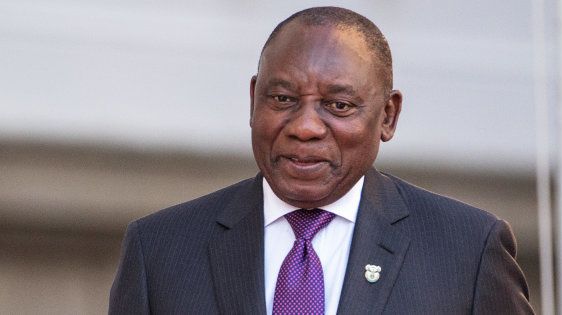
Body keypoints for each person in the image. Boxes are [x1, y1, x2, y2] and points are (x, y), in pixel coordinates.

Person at [109, 6, 534, 314]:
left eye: (339, 105)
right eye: (283, 99)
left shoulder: (466, 251)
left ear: (387, 115)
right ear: (253, 100)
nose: (305, 126)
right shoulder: (161, 250)